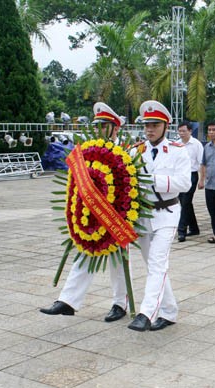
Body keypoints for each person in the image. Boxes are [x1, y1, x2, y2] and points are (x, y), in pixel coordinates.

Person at [40, 102, 129, 322]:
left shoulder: (126, 151)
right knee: (84, 252)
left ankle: (120, 304)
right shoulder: (88, 150)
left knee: (117, 262)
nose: (99, 129)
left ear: (115, 128)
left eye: (105, 125)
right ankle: (68, 301)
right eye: (97, 125)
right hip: (90, 214)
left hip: (116, 215)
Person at [128, 100, 191, 332]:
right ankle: (169, 311)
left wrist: (153, 180)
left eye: (155, 124)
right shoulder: (136, 151)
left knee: (157, 262)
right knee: (154, 266)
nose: (149, 129)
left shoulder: (177, 151)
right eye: (147, 125)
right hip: (143, 213)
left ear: (166, 126)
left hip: (167, 212)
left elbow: (185, 183)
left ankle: (146, 313)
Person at [177, 121, 203, 242]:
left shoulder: (196, 144)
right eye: (180, 131)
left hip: (192, 175)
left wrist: (202, 179)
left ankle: (181, 230)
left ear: (190, 131)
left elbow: (201, 163)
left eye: (184, 131)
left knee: (186, 201)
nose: (181, 133)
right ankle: (194, 227)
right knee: (184, 202)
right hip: (179, 176)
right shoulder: (176, 144)